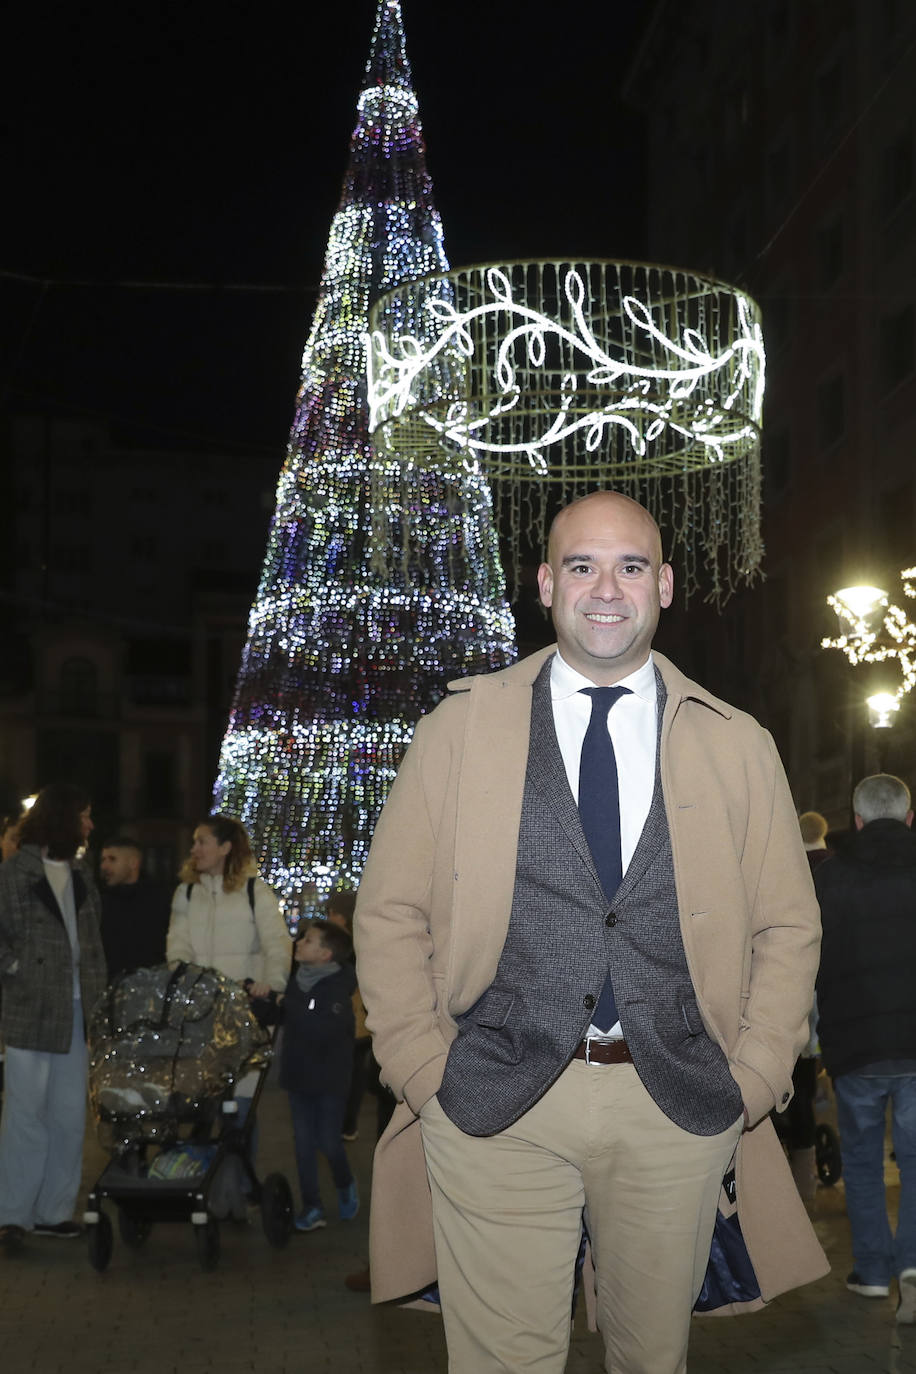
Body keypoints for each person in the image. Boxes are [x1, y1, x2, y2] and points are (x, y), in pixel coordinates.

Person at [355, 490, 827, 1373]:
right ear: (545, 583)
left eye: (631, 566)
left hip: (675, 1103)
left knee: (652, 1360)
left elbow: (788, 925)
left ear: (667, 586)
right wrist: (424, 1071)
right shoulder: (459, 728)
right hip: (493, 1102)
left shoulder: (736, 742)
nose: (606, 588)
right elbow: (389, 912)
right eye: (582, 565)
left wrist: (754, 1078)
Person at [815, 772, 916, 1321]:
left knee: (860, 1158)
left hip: (855, 1043)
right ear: (908, 816)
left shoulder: (832, 880)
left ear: (855, 820)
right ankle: (914, 1263)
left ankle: (874, 1271)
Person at [0, 782, 107, 1250]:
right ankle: (13, 1215)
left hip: (77, 1008)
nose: (90, 824)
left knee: (68, 1115)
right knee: (25, 1114)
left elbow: (94, 943)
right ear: (64, 818)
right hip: (30, 1007)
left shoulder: (81, 873)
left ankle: (54, 1211)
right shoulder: (15, 872)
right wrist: (17, 968)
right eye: (83, 815)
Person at [278, 919, 359, 1232]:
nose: (299, 942)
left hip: (329, 1080)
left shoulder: (337, 988)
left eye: (308, 940)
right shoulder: (298, 977)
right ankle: (312, 1206)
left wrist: (289, 1004)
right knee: (302, 1144)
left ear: (325, 955)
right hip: (297, 1075)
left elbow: (320, 1029)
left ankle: (344, 1181)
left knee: (327, 1141)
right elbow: (295, 1016)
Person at [327, 888, 371, 1141]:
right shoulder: (365, 940)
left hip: (347, 1019)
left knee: (345, 1074)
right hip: (362, 1021)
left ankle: (342, 1122)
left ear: (342, 916)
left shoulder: (342, 945)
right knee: (356, 1074)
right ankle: (348, 1124)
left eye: (332, 913)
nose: (329, 918)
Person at [98, 837, 170, 981]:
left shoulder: (159, 900)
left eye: (112, 859)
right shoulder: (100, 901)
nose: (104, 866)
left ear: (133, 863)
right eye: (103, 859)